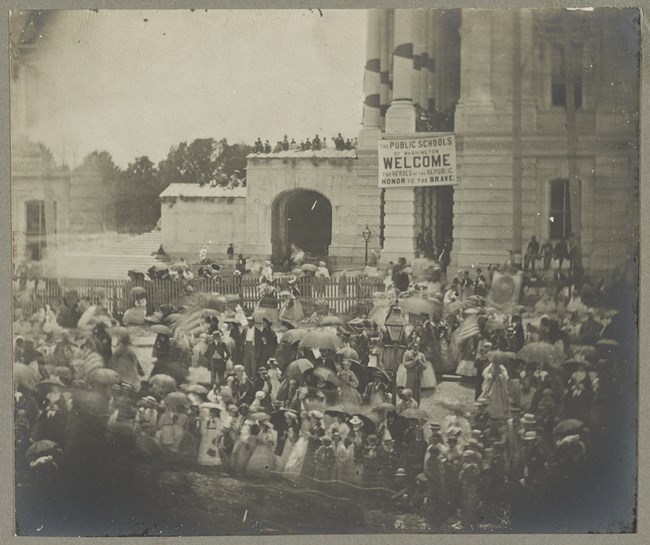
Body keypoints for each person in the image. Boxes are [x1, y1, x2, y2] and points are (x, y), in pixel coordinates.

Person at [197, 403, 223, 467]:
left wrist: (215, 437)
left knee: (212, 447)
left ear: (216, 413)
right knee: (205, 446)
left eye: (213, 412)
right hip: (207, 434)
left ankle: (212, 462)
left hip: (213, 433)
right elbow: (205, 426)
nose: (211, 413)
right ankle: (204, 461)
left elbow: (219, 429)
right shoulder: (209, 419)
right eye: (211, 412)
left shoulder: (217, 420)